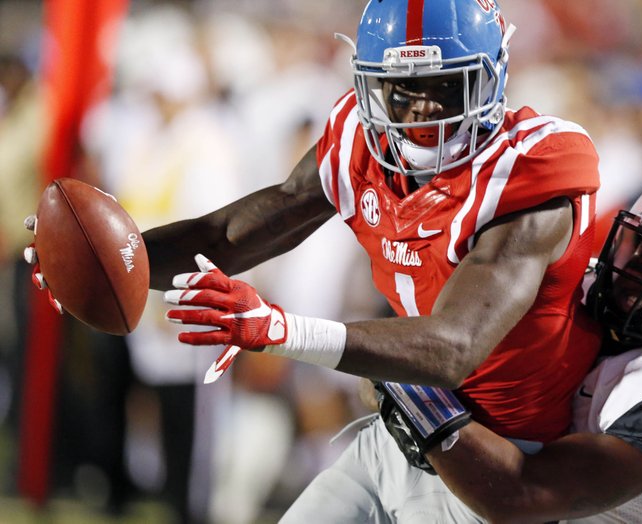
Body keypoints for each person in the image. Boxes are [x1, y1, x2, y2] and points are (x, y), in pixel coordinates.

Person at [26, 0, 600, 520]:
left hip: (502, 457)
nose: (422, 108)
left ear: (492, 76)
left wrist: (280, 330)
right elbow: (230, 234)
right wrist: (105, 260)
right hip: (407, 424)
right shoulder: (356, 139)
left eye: (446, 85)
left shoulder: (530, 173)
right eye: (403, 90)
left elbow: (452, 345)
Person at [380, 171, 642, 523]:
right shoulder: (573, 288)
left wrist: (410, 396)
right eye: (641, 254)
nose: (638, 280)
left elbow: (522, 495)